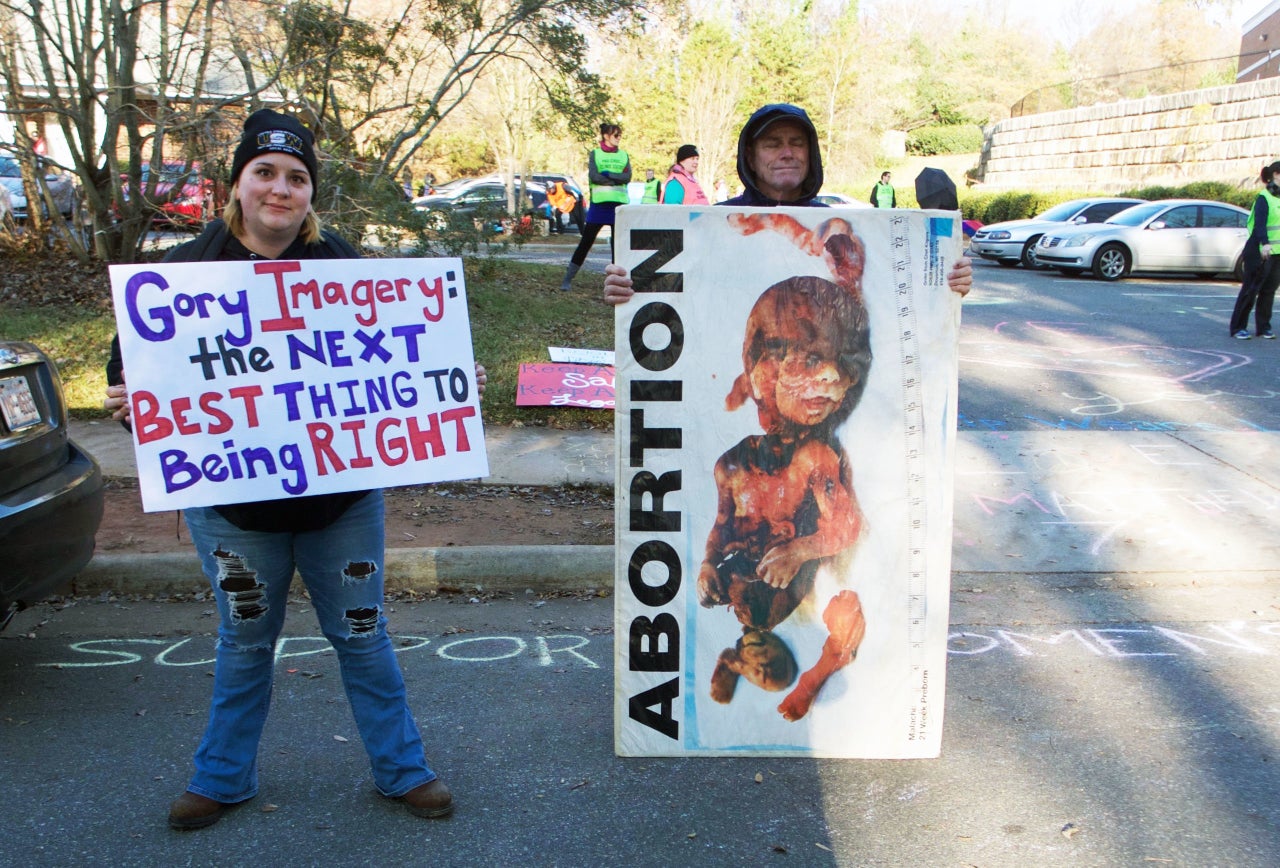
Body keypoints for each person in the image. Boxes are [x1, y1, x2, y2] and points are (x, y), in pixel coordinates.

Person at [103, 109, 485, 830]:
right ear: (238, 183)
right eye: (266, 173)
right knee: (244, 643)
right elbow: (126, 366)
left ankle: (404, 770)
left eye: (297, 178)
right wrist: (126, 397)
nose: (280, 189)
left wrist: (447, 376)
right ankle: (220, 778)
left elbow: (402, 351)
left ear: (312, 192)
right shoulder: (180, 274)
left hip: (338, 505)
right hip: (231, 507)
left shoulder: (340, 266)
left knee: (364, 636)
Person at [603, 103, 972, 303]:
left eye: (797, 142)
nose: (787, 153)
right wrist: (627, 286)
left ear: (811, 153)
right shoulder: (711, 225)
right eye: (772, 143)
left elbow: (888, 295)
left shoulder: (843, 233)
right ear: (751, 155)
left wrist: (945, 282)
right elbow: (668, 294)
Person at [560, 122, 631, 291]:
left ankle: (616, 285)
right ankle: (567, 279)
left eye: (620, 135)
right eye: (616, 135)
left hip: (618, 206)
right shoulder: (596, 154)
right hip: (599, 205)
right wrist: (615, 178)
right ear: (606, 136)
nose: (619, 138)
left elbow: (627, 176)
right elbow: (594, 176)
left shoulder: (623, 155)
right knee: (586, 242)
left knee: (618, 247)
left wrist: (609, 175)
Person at [1230, 160, 1280, 340]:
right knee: (1250, 290)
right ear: (1275, 175)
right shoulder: (1264, 198)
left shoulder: (1278, 198)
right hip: (1259, 251)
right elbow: (1260, 225)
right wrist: (1265, 243)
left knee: (1268, 291)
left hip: (1277, 253)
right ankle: (1238, 327)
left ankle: (1263, 327)